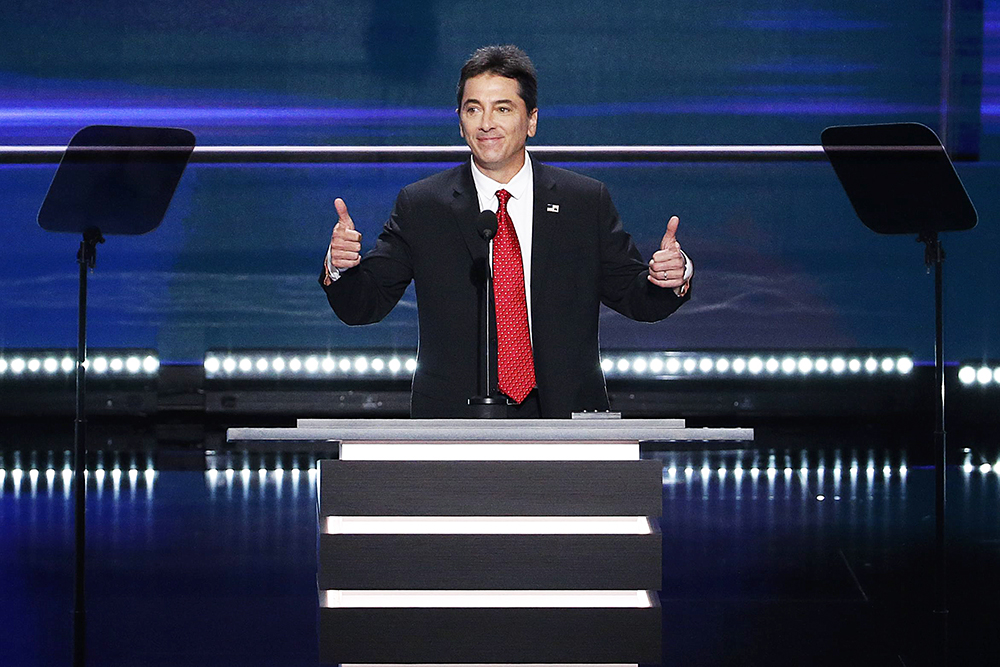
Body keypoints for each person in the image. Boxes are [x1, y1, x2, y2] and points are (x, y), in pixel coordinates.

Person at [321, 45, 692, 418]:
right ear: (460, 120)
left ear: (531, 121)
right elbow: (363, 306)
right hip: (455, 420)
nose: (486, 123)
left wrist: (668, 278)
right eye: (473, 109)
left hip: (565, 417)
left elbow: (633, 296)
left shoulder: (584, 201)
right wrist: (341, 267)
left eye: (502, 108)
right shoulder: (422, 205)